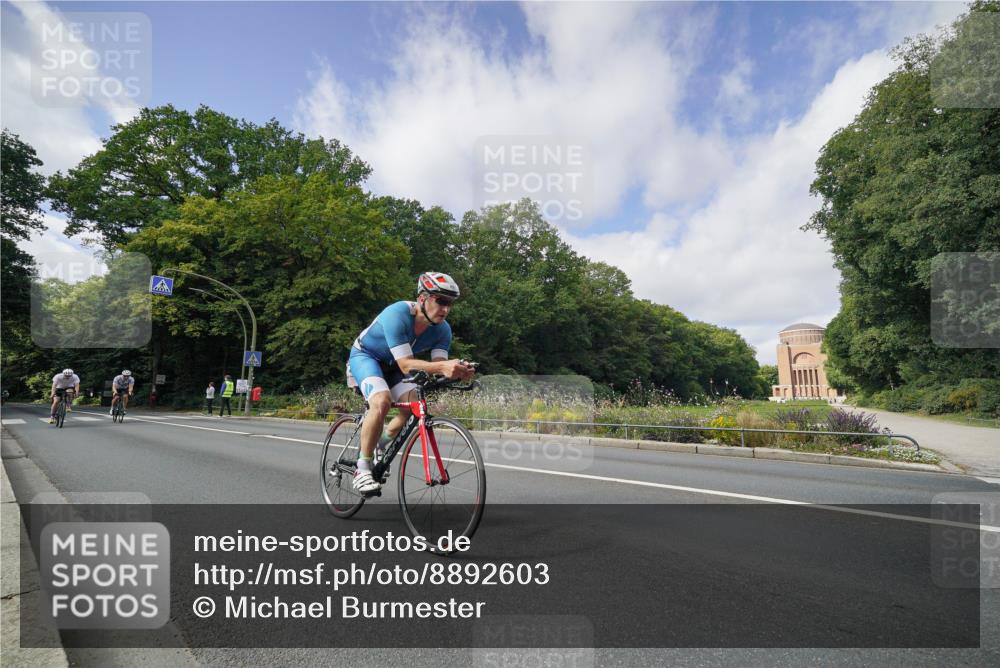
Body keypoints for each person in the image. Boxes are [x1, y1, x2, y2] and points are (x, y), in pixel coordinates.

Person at [345, 272, 475, 494]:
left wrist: (457, 371)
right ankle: (362, 468)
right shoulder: (396, 314)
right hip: (366, 358)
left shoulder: (443, 330)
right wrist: (443, 367)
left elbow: (438, 365)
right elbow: (406, 365)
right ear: (423, 298)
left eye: (450, 303)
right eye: (441, 301)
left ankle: (379, 444)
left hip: (394, 367)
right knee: (381, 401)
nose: (445, 309)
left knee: (414, 408)